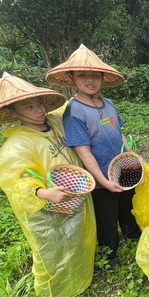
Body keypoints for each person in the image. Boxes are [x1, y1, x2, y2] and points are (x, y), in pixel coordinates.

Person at [0, 73, 97, 297]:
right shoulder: (17, 144)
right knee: (52, 251)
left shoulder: (55, 122)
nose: (38, 110)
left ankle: (82, 277)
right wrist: (43, 193)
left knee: (77, 239)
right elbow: (15, 179)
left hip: (73, 195)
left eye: (39, 103)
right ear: (13, 113)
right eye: (29, 107)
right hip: (48, 208)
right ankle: (52, 296)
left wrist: (83, 80)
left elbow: (71, 104)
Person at [46, 44, 141, 267]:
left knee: (128, 205)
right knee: (106, 218)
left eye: (95, 75)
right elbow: (84, 151)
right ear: (72, 78)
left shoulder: (108, 104)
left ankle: (132, 233)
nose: (90, 80)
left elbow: (120, 133)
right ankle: (110, 253)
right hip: (101, 178)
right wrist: (104, 181)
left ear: (102, 77)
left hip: (123, 170)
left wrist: (131, 155)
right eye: (82, 75)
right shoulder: (75, 111)